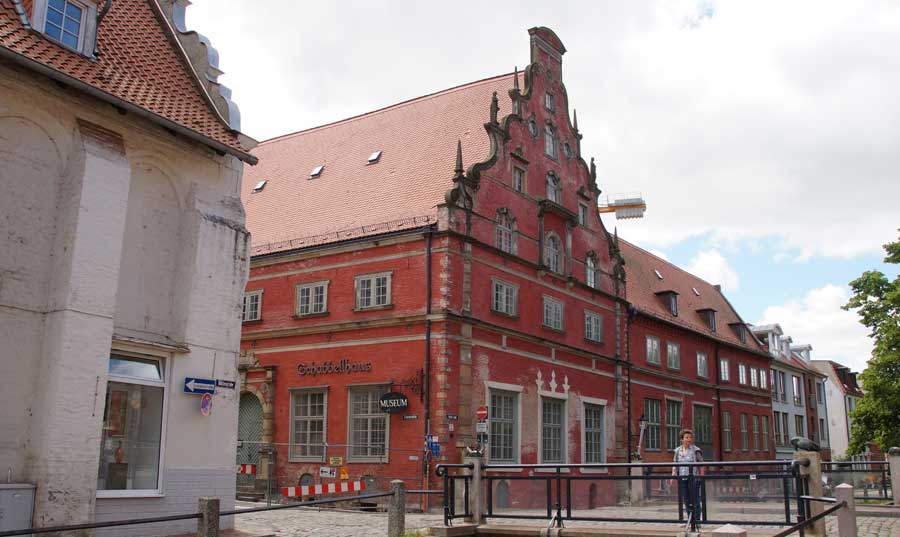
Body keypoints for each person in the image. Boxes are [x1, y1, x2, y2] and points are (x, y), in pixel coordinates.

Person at [671, 429, 704, 525]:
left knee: (695, 499)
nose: (689, 439)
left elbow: (701, 464)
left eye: (690, 437)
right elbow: (675, 464)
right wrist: (673, 475)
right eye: (686, 437)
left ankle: (697, 520)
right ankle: (690, 519)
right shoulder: (677, 450)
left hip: (693, 478)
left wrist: (701, 477)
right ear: (682, 439)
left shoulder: (696, 450)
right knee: (686, 499)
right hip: (682, 478)